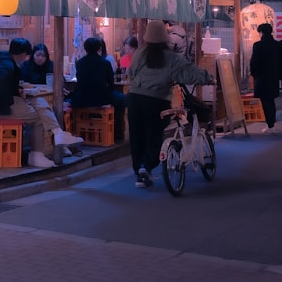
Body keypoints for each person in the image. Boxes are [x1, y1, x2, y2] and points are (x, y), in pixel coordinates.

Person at [127, 20, 214, 189]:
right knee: (154, 134)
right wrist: (208, 77)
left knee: (136, 136)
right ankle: (147, 166)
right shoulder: (171, 57)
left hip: (134, 98)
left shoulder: (139, 53)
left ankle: (139, 172)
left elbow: (131, 72)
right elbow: (189, 73)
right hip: (157, 100)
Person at [0, 37, 82, 168]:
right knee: (39, 119)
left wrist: (18, 91)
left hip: (0, 104)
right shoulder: (6, 65)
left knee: (39, 100)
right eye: (27, 55)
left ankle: (58, 133)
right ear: (22, 54)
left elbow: (6, 85)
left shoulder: (5, 62)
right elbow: (2, 86)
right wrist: (16, 94)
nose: (27, 58)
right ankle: (36, 155)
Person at [71, 37, 127, 140]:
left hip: (82, 99)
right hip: (101, 99)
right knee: (122, 99)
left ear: (85, 48)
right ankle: (118, 135)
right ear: (99, 48)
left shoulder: (79, 63)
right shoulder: (105, 63)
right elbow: (111, 83)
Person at [248, 23, 281, 132]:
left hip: (261, 77)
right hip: (274, 76)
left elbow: (254, 62)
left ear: (261, 32)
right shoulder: (277, 45)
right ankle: (272, 124)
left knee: (265, 101)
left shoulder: (258, 45)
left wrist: (253, 74)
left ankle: (270, 124)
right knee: (271, 100)